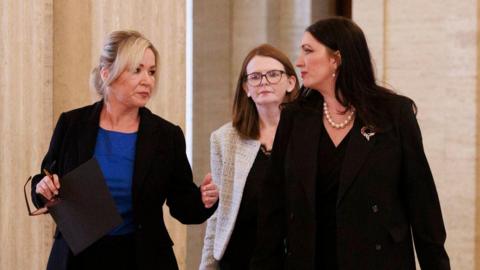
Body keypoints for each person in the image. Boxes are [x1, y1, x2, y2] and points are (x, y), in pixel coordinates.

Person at [250, 17, 450, 270]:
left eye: (308, 51)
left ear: (336, 59)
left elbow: (423, 207)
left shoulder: (394, 115)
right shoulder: (295, 117)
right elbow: (273, 206)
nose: (299, 61)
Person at [30, 30, 219, 270]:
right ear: (107, 73)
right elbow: (46, 179)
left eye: (151, 72)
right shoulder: (72, 125)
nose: (147, 80)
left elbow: (183, 205)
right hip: (77, 258)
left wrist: (203, 199)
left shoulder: (166, 136)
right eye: (137, 70)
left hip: (142, 257)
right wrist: (44, 188)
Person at [199, 44, 299, 270]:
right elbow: (217, 215)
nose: (263, 82)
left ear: (291, 82)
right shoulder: (224, 139)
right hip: (238, 259)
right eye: (255, 77)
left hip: (290, 259)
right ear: (246, 88)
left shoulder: (306, 135)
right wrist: (206, 266)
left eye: (273, 75)